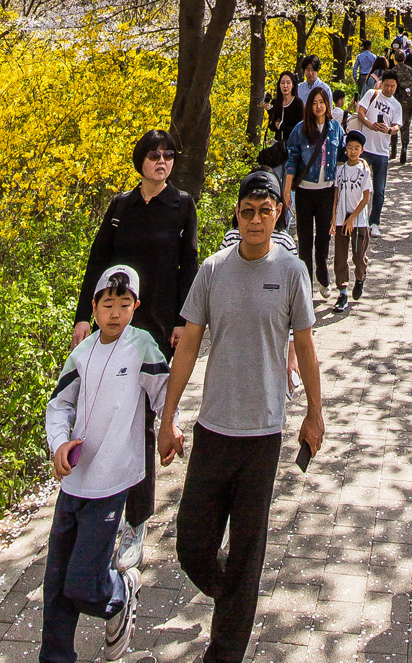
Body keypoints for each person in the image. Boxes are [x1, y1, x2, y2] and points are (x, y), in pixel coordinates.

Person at [158, 172, 323, 663]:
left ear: (277, 214)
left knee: (249, 548)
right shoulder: (212, 270)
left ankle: (225, 649)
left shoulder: (292, 272)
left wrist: (315, 414)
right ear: (237, 215)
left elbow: (307, 348)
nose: (255, 219)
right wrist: (168, 417)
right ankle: (232, 596)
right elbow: (188, 345)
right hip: (213, 428)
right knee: (192, 545)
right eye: (247, 210)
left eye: (265, 210)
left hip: (264, 431)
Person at [71, 129, 198, 568]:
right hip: (112, 326)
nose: (161, 161)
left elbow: (189, 265)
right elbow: (98, 258)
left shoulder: (182, 205)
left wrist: (184, 321)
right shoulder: (121, 207)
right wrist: (83, 316)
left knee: (143, 422)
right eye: (153, 155)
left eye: (168, 156)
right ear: (140, 161)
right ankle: (100, 503)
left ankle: (136, 520)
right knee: (106, 416)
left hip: (157, 327)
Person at [42, 265, 168, 663]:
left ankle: (120, 593)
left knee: (82, 582)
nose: (115, 313)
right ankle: (55, 657)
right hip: (73, 480)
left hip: (113, 480)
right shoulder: (82, 352)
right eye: (107, 305)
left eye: (124, 305)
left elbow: (165, 392)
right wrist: (59, 444)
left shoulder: (142, 345)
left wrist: (172, 427)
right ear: (93, 307)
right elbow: (59, 404)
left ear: (136, 306)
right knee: (56, 584)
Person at [283, 85, 344, 291]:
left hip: (327, 190)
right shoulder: (300, 129)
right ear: (309, 106)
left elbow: (343, 156)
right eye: (315, 103)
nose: (318, 107)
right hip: (305, 191)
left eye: (322, 102)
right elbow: (291, 160)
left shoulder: (336, 128)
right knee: (305, 238)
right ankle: (306, 284)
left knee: (324, 237)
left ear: (327, 104)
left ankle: (323, 274)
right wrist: (287, 190)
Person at [355, 68, 403, 231]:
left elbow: (397, 126)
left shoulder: (396, 105)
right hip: (365, 148)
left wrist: (389, 130)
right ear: (382, 84)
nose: (389, 89)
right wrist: (370, 124)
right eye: (387, 85)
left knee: (379, 190)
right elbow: (360, 112)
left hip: (382, 151)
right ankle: (357, 217)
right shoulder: (372, 94)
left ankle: (374, 222)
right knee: (359, 185)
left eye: (393, 86)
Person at [332, 126, 371, 310]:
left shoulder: (364, 170)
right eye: (350, 147)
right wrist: (334, 218)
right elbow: (336, 195)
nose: (353, 151)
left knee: (358, 256)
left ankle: (360, 277)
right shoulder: (340, 171)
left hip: (359, 220)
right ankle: (342, 291)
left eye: (357, 148)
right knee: (340, 256)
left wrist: (352, 218)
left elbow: (366, 198)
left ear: (362, 150)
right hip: (341, 218)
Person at [390, 46, 412, 163]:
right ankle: (404, 148)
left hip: (395, 101)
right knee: (405, 126)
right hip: (407, 101)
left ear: (395, 59)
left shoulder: (392, 71)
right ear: (404, 59)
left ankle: (394, 149)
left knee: (394, 124)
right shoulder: (410, 70)